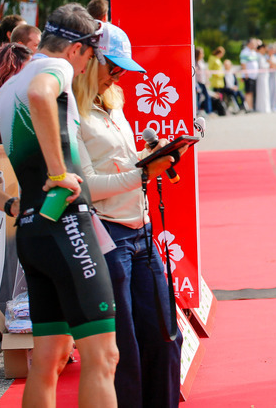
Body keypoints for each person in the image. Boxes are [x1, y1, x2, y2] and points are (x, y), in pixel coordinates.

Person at [0, 3, 119, 407]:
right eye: (91, 58)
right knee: (104, 356)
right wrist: (60, 173)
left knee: (49, 359)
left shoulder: (6, 90)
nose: (86, 69)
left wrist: (10, 205)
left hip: (32, 230)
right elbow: (41, 94)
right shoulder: (55, 68)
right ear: (77, 49)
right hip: (66, 224)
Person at [73, 22, 184, 408]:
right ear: (88, 59)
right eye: (113, 66)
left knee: (166, 334)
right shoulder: (71, 111)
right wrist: (142, 172)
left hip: (141, 231)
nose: (119, 76)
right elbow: (86, 184)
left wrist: (155, 158)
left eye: (122, 69)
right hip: (108, 237)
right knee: (126, 346)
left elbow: (120, 166)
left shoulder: (113, 104)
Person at [239, 39, 260, 112]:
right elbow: (243, 63)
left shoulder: (253, 52)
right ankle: (249, 107)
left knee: (253, 92)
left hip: (254, 76)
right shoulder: (245, 52)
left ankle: (252, 106)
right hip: (248, 75)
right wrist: (245, 74)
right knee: (249, 92)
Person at [194, 47, 212, 115]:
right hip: (198, 81)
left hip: (203, 81)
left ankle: (209, 111)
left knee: (207, 96)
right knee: (198, 96)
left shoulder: (202, 61)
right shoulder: (195, 62)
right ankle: (197, 111)